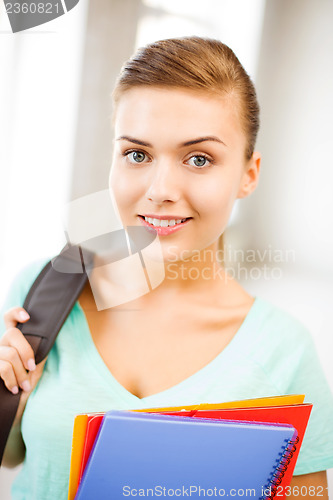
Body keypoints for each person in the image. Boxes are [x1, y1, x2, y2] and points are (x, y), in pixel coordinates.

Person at [1, 36, 333, 500]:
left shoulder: (284, 354)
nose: (160, 189)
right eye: (137, 154)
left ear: (248, 174)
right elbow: (12, 455)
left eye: (199, 159)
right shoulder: (42, 291)